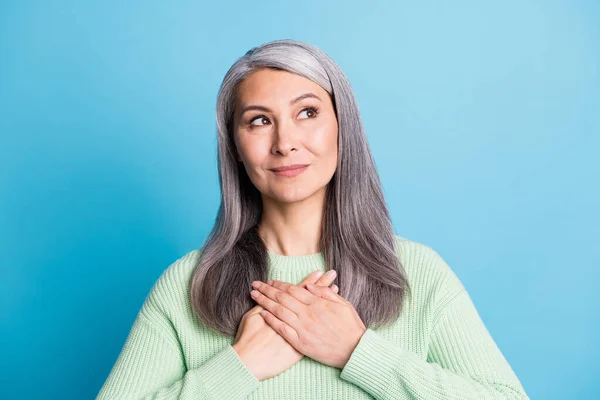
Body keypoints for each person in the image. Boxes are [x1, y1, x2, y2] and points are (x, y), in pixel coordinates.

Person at [96, 39, 529, 399]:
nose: (285, 142)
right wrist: (237, 368)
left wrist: (358, 352)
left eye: (307, 112)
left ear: (343, 126)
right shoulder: (188, 285)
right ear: (235, 148)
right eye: (259, 121)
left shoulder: (417, 274)